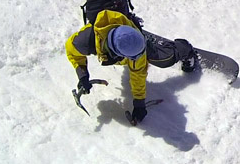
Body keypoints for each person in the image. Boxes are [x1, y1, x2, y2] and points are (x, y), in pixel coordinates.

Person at [65, 9, 198, 123]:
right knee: (140, 59)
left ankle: (186, 50)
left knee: (164, 59)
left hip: (132, 35)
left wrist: (139, 103)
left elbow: (138, 74)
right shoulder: (85, 40)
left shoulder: (137, 51)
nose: (138, 58)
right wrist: (82, 76)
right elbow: (71, 52)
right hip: (122, 40)